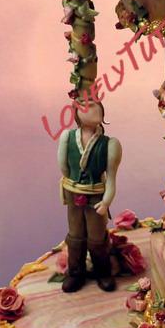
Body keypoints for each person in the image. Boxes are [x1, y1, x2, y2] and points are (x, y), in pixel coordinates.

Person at [57, 98, 122, 292]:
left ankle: (103, 271)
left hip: (96, 196)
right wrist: (73, 185)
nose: (94, 107)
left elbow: (111, 178)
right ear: (76, 112)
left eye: (96, 103)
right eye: (86, 104)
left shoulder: (110, 144)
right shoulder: (67, 137)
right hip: (73, 194)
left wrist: (106, 201)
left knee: (97, 237)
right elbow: (64, 167)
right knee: (75, 235)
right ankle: (76, 272)